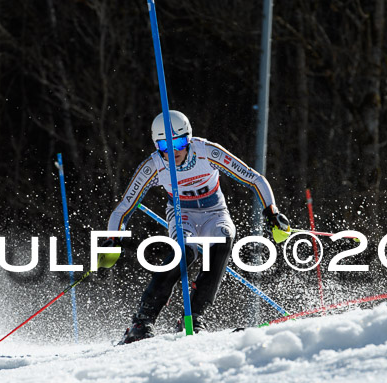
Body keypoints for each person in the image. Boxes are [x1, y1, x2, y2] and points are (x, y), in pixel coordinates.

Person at [102, 110, 289, 344]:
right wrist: (112, 238)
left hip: (214, 213)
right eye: (164, 144)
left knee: (223, 240)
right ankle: (142, 321)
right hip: (183, 215)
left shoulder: (207, 152)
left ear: (188, 138)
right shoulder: (154, 165)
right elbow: (124, 207)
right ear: (156, 144)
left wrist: (272, 212)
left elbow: (254, 178)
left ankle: (194, 316)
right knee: (184, 251)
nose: (173, 151)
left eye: (179, 142)